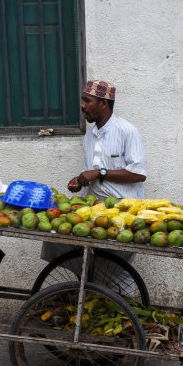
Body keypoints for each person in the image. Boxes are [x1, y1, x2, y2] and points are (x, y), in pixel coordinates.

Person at [40, 80, 147, 296]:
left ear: (103, 104)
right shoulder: (89, 137)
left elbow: (139, 174)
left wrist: (100, 172)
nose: (82, 105)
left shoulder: (127, 131)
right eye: (83, 100)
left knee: (115, 265)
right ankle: (89, 292)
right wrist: (80, 181)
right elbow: (93, 174)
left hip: (123, 212)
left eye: (87, 101)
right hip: (94, 209)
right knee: (58, 241)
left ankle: (122, 306)